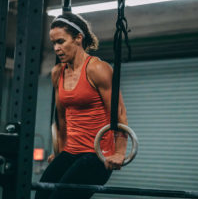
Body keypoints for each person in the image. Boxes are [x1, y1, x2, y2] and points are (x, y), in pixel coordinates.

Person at [35, 12, 128, 199]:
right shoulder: (57, 73)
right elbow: (62, 119)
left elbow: (119, 114)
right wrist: (59, 152)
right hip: (71, 153)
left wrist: (119, 153)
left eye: (61, 41)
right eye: (54, 43)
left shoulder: (97, 69)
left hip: (97, 157)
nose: (56, 48)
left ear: (78, 38)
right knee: (40, 196)